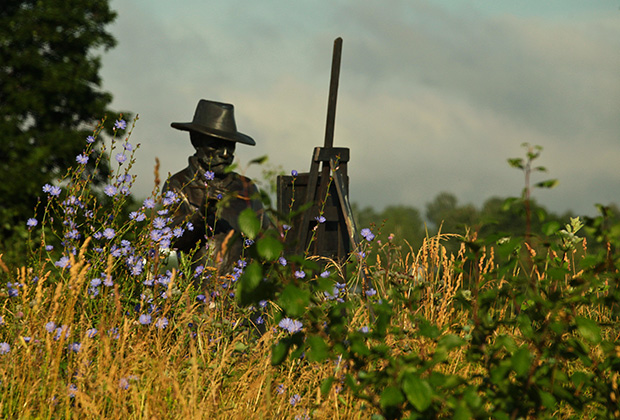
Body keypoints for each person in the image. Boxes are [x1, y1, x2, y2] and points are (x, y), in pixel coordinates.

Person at [163, 99, 268, 284]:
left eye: (230, 146)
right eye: (216, 145)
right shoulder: (179, 185)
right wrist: (201, 216)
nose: (225, 154)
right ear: (196, 141)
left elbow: (266, 240)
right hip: (197, 298)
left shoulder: (246, 187)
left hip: (241, 299)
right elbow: (171, 241)